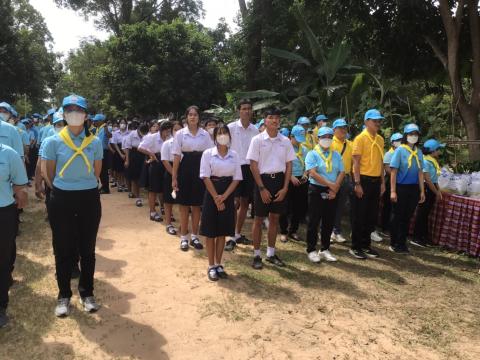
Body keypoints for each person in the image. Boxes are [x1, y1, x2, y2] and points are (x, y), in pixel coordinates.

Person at [42, 94, 103, 317]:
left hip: (88, 198)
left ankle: (87, 292)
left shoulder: (94, 142)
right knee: (63, 248)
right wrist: (63, 187)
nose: (74, 114)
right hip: (62, 199)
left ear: (86, 115)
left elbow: (96, 172)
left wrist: (81, 185)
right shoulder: (53, 141)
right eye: (69, 110)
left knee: (87, 248)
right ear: (64, 114)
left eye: (79, 110)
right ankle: (63, 295)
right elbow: (49, 173)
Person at [246, 107, 296, 270]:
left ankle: (271, 253)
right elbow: (253, 166)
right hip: (263, 181)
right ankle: (256, 255)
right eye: (271, 117)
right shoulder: (258, 140)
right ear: (265, 121)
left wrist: (285, 188)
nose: (274, 120)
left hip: (280, 182)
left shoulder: (285, 141)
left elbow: (289, 165)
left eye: (277, 117)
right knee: (259, 219)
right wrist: (261, 188)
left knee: (274, 219)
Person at [200, 125, 242, 281]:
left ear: (230, 136)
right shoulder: (207, 154)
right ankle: (211, 266)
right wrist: (217, 198)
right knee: (211, 232)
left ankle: (218, 263)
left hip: (228, 193)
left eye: (225, 133)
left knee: (222, 232)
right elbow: (205, 177)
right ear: (214, 137)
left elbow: (237, 178)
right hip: (212, 193)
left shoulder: (235, 155)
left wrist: (224, 197)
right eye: (219, 133)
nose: (222, 135)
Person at [172, 106, 213, 251]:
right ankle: (183, 237)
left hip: (200, 168)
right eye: (190, 114)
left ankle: (194, 236)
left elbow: (210, 155)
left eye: (195, 115)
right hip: (185, 168)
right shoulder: (180, 134)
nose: (193, 117)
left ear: (199, 117)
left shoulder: (205, 135)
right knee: (184, 205)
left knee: (196, 205)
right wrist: (174, 177)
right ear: (186, 117)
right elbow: (177, 156)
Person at [305, 127, 345, 263]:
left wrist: (335, 188)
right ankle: (311, 249)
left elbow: (341, 172)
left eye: (329, 136)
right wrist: (331, 185)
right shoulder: (312, 154)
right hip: (316, 190)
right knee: (314, 220)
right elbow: (313, 173)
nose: (327, 139)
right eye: (324, 136)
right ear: (318, 138)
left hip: (332, 191)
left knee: (328, 221)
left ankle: (325, 248)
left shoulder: (336, 155)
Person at [350, 109, 385, 260]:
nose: (377, 123)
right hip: (363, 180)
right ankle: (355, 246)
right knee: (360, 215)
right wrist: (357, 183)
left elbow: (381, 162)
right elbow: (356, 163)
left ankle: (366, 244)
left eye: (379, 121)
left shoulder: (380, 139)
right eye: (374, 120)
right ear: (366, 122)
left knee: (371, 216)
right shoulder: (360, 138)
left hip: (376, 181)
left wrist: (383, 182)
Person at [0, 144, 28, 328]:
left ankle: (1, 306)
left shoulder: (8, 154)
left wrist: (19, 202)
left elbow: (20, 186)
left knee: (2, 261)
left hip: (3, 212)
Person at [225, 99, 258, 251]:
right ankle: (230, 234)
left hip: (249, 169)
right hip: (234, 167)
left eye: (249, 108)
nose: (246, 111)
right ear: (239, 111)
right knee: (233, 202)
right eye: (244, 108)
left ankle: (237, 234)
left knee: (244, 202)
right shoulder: (230, 128)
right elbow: (222, 146)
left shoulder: (255, 130)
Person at [389, 123, 425, 253]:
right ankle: (394, 242)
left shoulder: (419, 152)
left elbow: (421, 172)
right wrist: (393, 191)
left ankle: (402, 243)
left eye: (416, 134)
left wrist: (422, 190)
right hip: (401, 187)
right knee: (398, 215)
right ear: (406, 136)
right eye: (411, 134)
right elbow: (393, 171)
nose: (413, 136)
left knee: (407, 216)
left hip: (414, 188)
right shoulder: (400, 150)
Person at [413, 139, 445, 247]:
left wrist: (438, 191)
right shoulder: (425, 161)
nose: (440, 151)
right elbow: (428, 179)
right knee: (422, 214)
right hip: (426, 188)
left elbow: (434, 179)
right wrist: (436, 192)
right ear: (433, 151)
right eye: (438, 149)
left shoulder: (432, 160)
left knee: (426, 214)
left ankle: (424, 237)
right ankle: (417, 237)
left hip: (432, 188)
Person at [279, 125, 308, 242]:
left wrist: (305, 174)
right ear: (291, 137)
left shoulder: (305, 150)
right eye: (297, 138)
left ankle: (293, 230)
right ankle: (283, 231)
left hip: (301, 179)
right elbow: (281, 164)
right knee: (285, 206)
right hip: (287, 178)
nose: (299, 142)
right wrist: (290, 176)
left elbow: (308, 164)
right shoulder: (285, 148)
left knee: (298, 207)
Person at [138, 121, 171, 222]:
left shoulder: (170, 138)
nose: (167, 133)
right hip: (156, 161)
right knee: (153, 189)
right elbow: (140, 148)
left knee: (164, 188)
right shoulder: (151, 137)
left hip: (167, 161)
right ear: (161, 130)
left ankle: (164, 209)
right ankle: (152, 212)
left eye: (169, 131)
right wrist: (151, 154)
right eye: (166, 131)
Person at [330, 118, 353, 244]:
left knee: (340, 207)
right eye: (340, 128)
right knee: (329, 206)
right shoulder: (330, 143)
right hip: (332, 178)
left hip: (346, 178)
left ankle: (336, 231)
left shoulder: (350, 144)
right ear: (334, 130)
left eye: (344, 128)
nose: (343, 130)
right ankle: (326, 231)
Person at [161, 121, 182, 235]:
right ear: (171, 131)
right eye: (175, 129)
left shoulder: (186, 143)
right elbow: (164, 160)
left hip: (184, 173)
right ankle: (169, 223)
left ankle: (182, 225)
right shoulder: (167, 143)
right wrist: (175, 175)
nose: (177, 132)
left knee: (183, 201)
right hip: (170, 172)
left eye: (180, 129)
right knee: (169, 200)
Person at [380, 132, 403, 236]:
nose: (400, 143)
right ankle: (385, 227)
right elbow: (388, 169)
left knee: (396, 206)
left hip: (399, 181)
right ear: (392, 143)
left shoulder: (402, 152)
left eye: (401, 140)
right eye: (398, 141)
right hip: (390, 181)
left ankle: (394, 227)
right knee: (388, 206)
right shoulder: (389, 154)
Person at [123, 122, 148, 207]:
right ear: (138, 129)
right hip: (134, 155)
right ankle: (138, 198)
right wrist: (127, 160)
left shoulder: (147, 135)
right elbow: (127, 148)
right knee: (135, 178)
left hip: (145, 155)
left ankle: (150, 197)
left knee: (145, 177)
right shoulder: (131, 134)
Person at [92, 114, 111, 194]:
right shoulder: (97, 129)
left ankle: (106, 188)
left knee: (103, 171)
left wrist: (106, 128)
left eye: (96, 121)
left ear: (101, 121)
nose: (94, 122)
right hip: (98, 151)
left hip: (104, 151)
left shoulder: (106, 128)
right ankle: (103, 186)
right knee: (99, 170)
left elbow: (109, 135)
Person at [110, 118, 130, 192]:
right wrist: (120, 153)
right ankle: (119, 184)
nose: (122, 124)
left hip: (127, 151)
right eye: (121, 123)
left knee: (125, 169)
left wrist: (125, 153)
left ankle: (125, 184)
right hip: (118, 151)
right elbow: (114, 144)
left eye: (124, 123)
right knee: (118, 170)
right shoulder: (115, 133)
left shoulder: (129, 133)